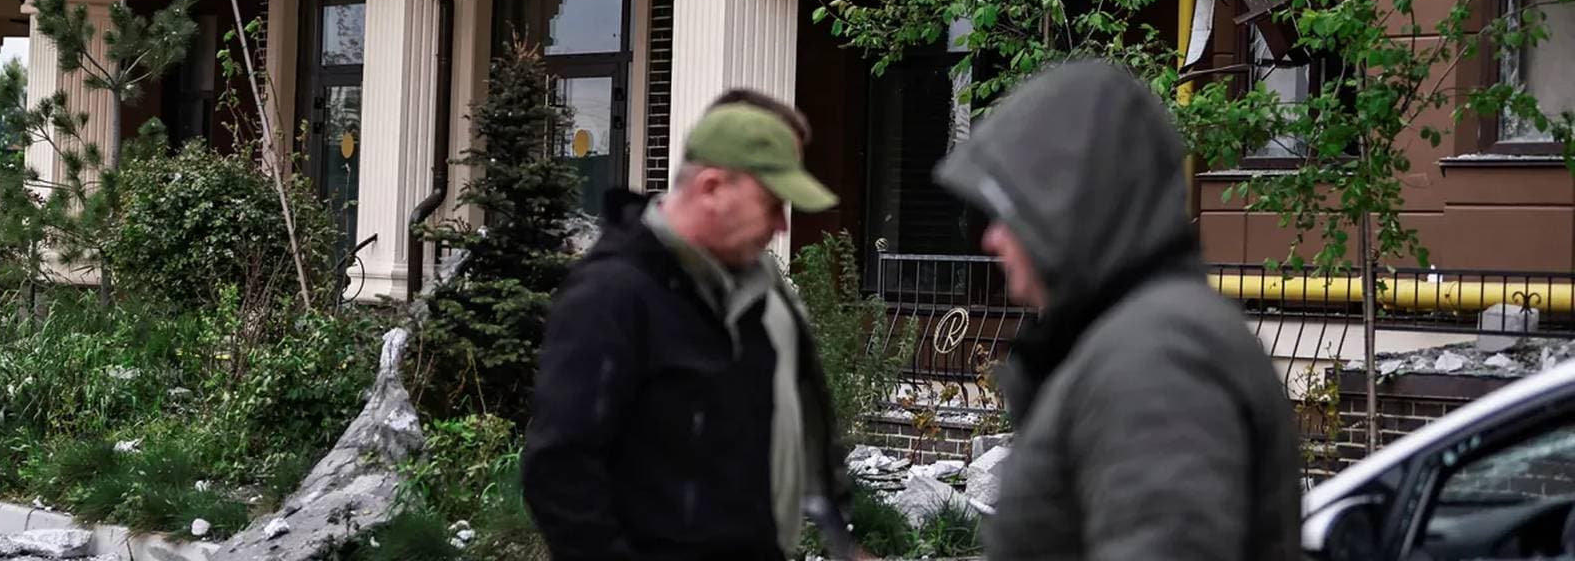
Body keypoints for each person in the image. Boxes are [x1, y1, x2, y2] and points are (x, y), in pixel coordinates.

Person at [932, 59, 1301, 561]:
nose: (991, 238)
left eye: (1011, 210)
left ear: (1074, 208)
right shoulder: (1139, 340)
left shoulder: (1159, 359)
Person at [524, 96, 861, 561]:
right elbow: (559, 473)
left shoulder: (752, 293)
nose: (781, 225)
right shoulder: (612, 296)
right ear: (711, 188)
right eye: (771, 203)